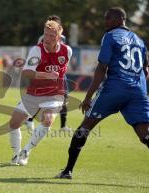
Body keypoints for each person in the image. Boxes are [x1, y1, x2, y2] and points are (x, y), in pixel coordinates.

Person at [55, 7, 149, 179]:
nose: (105, 22)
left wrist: (88, 97)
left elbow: (101, 68)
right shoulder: (139, 40)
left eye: (109, 18)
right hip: (138, 91)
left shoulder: (111, 36)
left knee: (85, 127)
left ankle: (67, 171)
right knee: (145, 135)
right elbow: (146, 70)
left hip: (115, 89)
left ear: (121, 19)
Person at [9, 19, 72, 165]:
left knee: (48, 119)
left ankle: (26, 151)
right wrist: (46, 75)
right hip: (34, 92)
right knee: (14, 122)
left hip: (55, 93)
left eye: (51, 36)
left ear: (58, 37)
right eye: (45, 34)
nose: (47, 39)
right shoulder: (36, 50)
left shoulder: (67, 50)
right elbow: (27, 72)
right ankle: (15, 154)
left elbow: (62, 70)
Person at [25, 15, 71, 132]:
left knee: (64, 99)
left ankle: (63, 126)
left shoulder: (63, 39)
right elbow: (39, 53)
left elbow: (63, 54)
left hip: (59, 75)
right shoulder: (43, 38)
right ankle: (30, 120)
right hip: (43, 72)